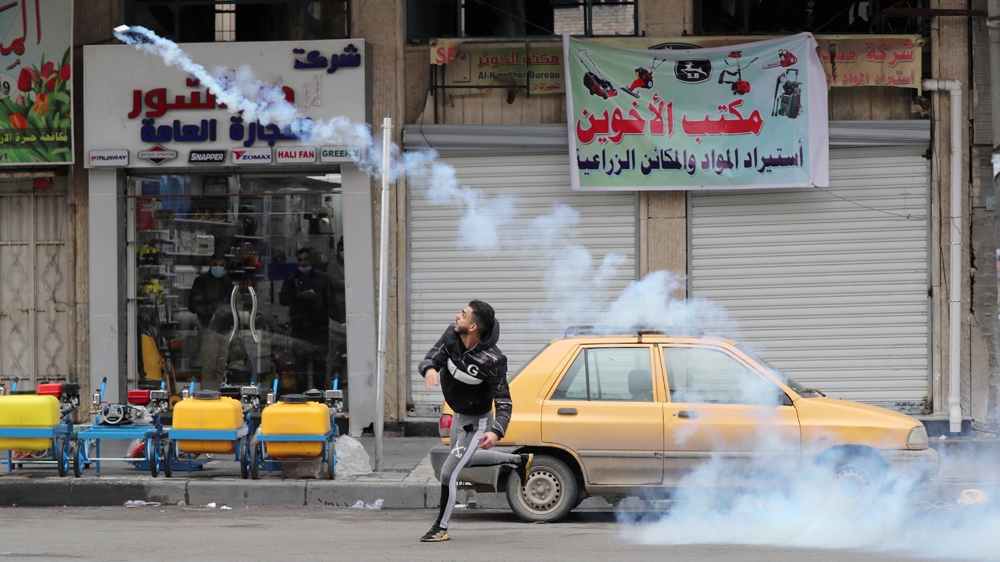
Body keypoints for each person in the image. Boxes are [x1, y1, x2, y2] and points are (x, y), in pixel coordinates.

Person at [417, 300, 533, 543]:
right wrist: (429, 368)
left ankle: (441, 527)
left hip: (477, 422)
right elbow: (435, 356)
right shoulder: (452, 334)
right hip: (458, 414)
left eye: (463, 314)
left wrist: (496, 432)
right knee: (464, 459)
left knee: (449, 473)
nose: (457, 316)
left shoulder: (493, 360)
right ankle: (517, 460)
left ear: (473, 327)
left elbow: (504, 402)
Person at [279, 247, 337, 392]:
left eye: (306, 259)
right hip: (300, 327)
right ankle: (300, 395)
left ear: (311, 259)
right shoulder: (291, 278)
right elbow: (283, 299)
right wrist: (298, 297)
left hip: (320, 327)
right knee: (301, 365)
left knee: (320, 364)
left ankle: (320, 394)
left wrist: (337, 323)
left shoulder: (322, 278)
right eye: (300, 260)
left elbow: (332, 302)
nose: (303, 263)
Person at [187, 253, 234, 390]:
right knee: (209, 367)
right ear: (210, 264)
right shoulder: (202, 281)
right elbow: (193, 305)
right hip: (209, 328)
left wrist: (235, 327)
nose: (218, 268)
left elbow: (232, 305)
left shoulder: (227, 281)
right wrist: (209, 315)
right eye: (215, 265)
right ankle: (208, 397)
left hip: (225, 329)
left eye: (221, 265)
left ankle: (217, 394)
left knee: (220, 367)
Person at [326, 237, 347, 389]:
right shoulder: (333, 265)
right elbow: (336, 281)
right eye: (342, 248)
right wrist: (352, 282)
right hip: (339, 307)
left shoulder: (352, 262)